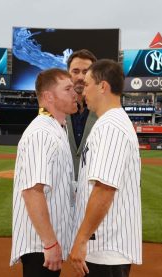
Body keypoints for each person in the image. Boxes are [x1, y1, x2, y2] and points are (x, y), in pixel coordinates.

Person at [69, 59, 142, 277]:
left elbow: (104, 189)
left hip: (106, 244)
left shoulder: (110, 127)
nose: (82, 90)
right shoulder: (110, 123)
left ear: (103, 86)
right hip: (105, 243)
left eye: (87, 84)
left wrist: (80, 241)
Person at [10, 68, 78, 277]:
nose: (75, 93)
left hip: (47, 238)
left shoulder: (56, 129)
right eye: (67, 89)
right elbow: (32, 191)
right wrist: (49, 242)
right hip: (41, 242)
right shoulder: (41, 133)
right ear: (49, 97)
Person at [66, 49, 97, 180]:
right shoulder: (57, 110)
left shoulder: (103, 111)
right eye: (75, 71)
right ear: (68, 74)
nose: (80, 77)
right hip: (63, 190)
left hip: (91, 189)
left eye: (86, 72)